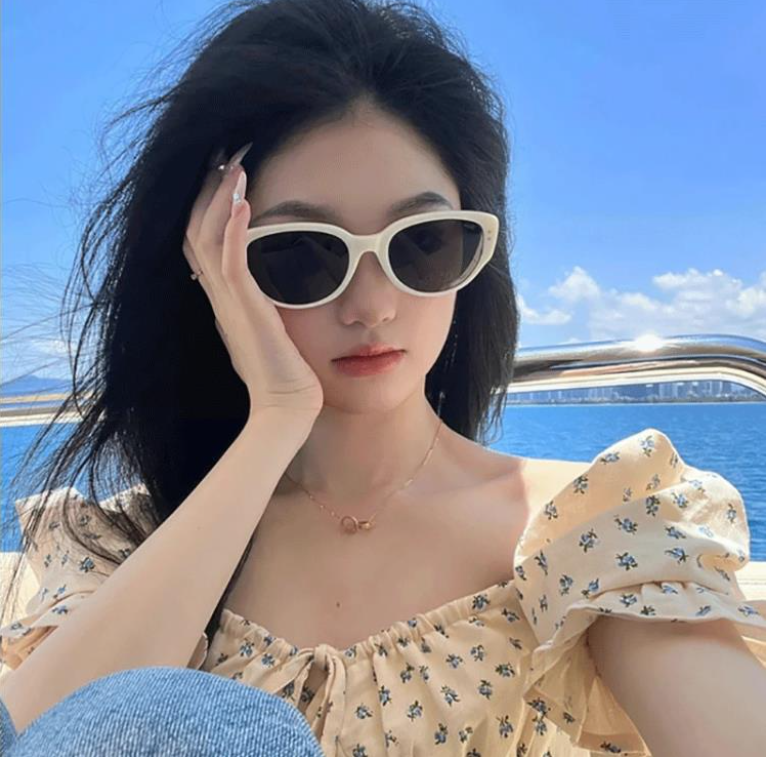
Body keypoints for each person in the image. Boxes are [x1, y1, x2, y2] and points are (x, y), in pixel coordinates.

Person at [2, 0, 765, 755]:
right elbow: (43, 738)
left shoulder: (588, 529)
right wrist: (276, 418)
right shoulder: (138, 544)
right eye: (301, 253)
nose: (372, 305)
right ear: (213, 267)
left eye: (423, 242)